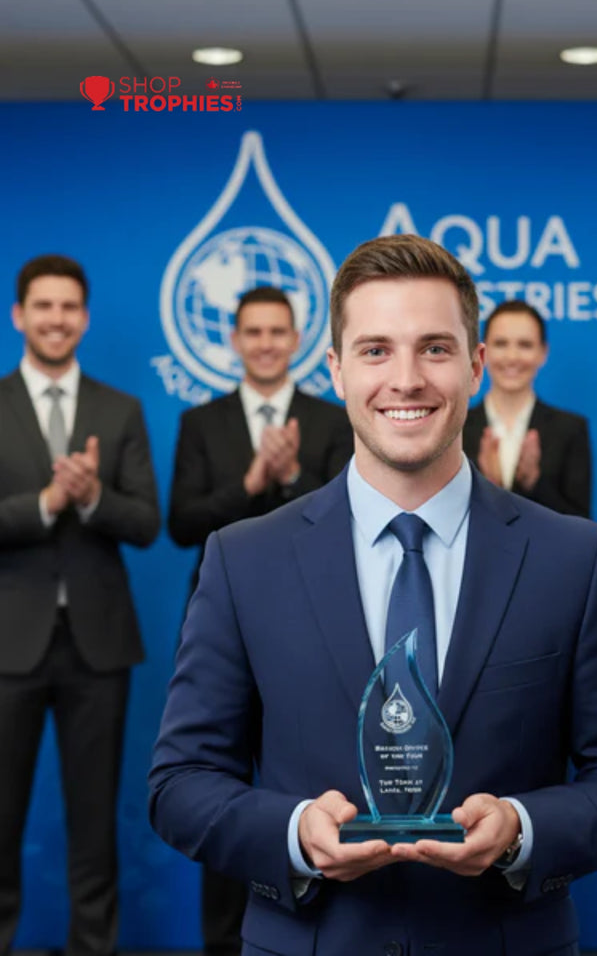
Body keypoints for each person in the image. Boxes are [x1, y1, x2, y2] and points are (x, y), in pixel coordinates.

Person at [150, 234, 597, 956]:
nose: (406, 379)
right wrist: (295, 832)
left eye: (434, 348)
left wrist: (522, 828)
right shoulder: (244, 559)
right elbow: (180, 783)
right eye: (374, 350)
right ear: (334, 369)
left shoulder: (574, 559)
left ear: (476, 365)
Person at [167, 284, 352, 955]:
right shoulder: (201, 421)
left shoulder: (332, 421)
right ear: (235, 340)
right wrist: (250, 482)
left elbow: (345, 523)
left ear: (298, 338)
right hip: (222, 632)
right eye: (255, 332)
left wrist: (296, 472)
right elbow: (180, 522)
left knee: (301, 789)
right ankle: (225, 942)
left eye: (280, 331)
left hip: (316, 633)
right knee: (221, 790)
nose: (268, 343)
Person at [0, 254, 160, 955]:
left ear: (85, 318)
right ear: (19, 316)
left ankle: (93, 948)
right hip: (8, 645)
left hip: (98, 647)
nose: (57, 319)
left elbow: (147, 522)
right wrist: (46, 503)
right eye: (44, 306)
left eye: (69, 307)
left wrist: (92, 498)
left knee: (94, 825)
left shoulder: (118, 409)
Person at [463, 300, 591, 517]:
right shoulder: (458, 426)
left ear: (543, 353)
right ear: (481, 353)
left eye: (525, 345)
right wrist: (488, 485)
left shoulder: (570, 428)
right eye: (501, 343)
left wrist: (534, 482)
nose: (512, 357)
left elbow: (580, 524)